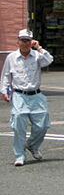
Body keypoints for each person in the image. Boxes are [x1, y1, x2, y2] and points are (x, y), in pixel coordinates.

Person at [1, 29, 53, 166]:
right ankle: (19, 155)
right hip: (19, 95)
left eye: (28, 41)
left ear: (32, 42)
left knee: (43, 125)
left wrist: (39, 47)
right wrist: (4, 91)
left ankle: (32, 145)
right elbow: (6, 76)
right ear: (17, 41)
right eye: (23, 40)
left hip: (36, 95)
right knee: (19, 125)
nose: (25, 43)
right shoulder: (11, 57)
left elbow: (49, 60)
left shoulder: (37, 56)